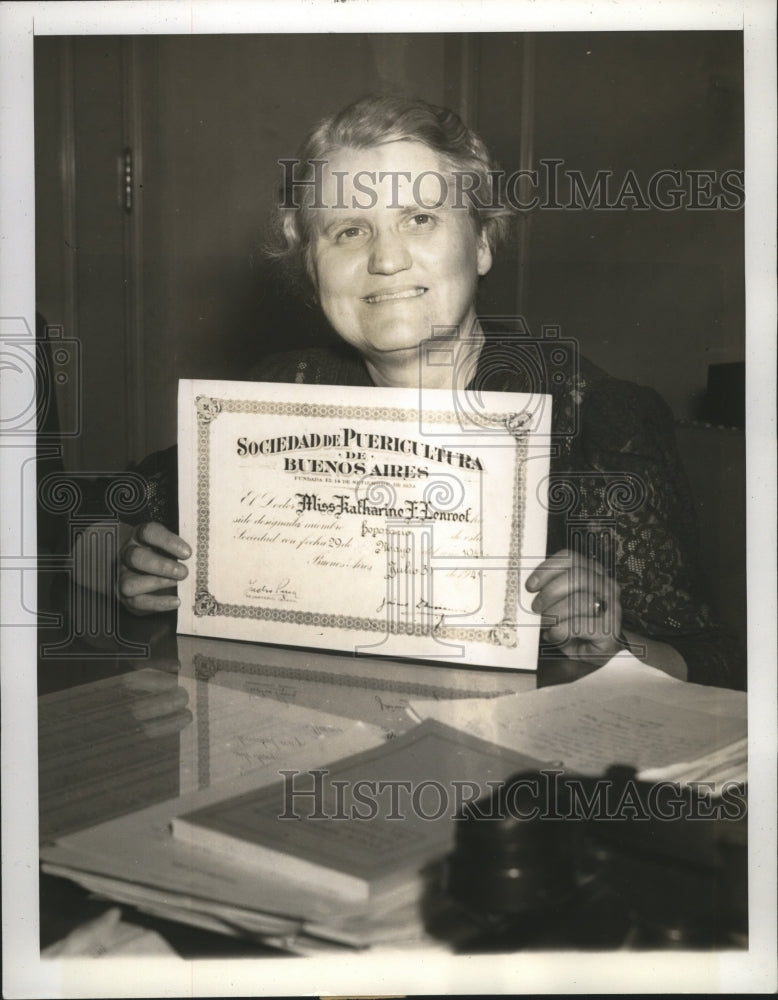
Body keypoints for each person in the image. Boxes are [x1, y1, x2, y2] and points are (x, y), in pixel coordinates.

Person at [93, 95, 744, 689]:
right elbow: (82, 515)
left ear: (483, 242)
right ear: (311, 267)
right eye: (349, 230)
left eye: (419, 218)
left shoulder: (598, 419)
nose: (385, 258)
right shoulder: (275, 397)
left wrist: (618, 645)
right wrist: (128, 566)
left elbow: (721, 664)